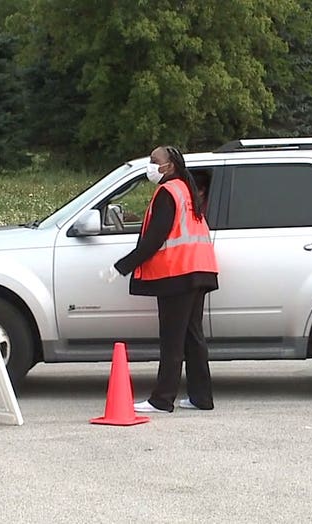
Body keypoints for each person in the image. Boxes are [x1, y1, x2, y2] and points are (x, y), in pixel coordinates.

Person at [104, 146, 219, 413]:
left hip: (178, 273)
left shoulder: (168, 192)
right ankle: (202, 398)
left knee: (172, 339)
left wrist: (122, 267)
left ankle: (162, 399)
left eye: (155, 161)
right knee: (192, 337)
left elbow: (154, 240)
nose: (151, 165)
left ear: (169, 166)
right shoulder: (186, 190)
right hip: (199, 270)